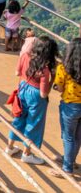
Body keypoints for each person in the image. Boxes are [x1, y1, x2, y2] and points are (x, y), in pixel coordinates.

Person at [6, 36, 58, 164]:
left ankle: (10, 147)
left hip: (23, 88)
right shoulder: (44, 70)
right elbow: (43, 94)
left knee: (18, 118)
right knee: (33, 124)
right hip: (36, 96)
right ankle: (27, 154)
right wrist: (53, 78)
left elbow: (17, 73)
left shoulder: (24, 56)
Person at [51, 38, 81, 177]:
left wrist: (59, 87)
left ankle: (67, 169)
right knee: (77, 137)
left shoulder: (63, 68)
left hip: (70, 105)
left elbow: (59, 87)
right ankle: (70, 160)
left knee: (68, 137)